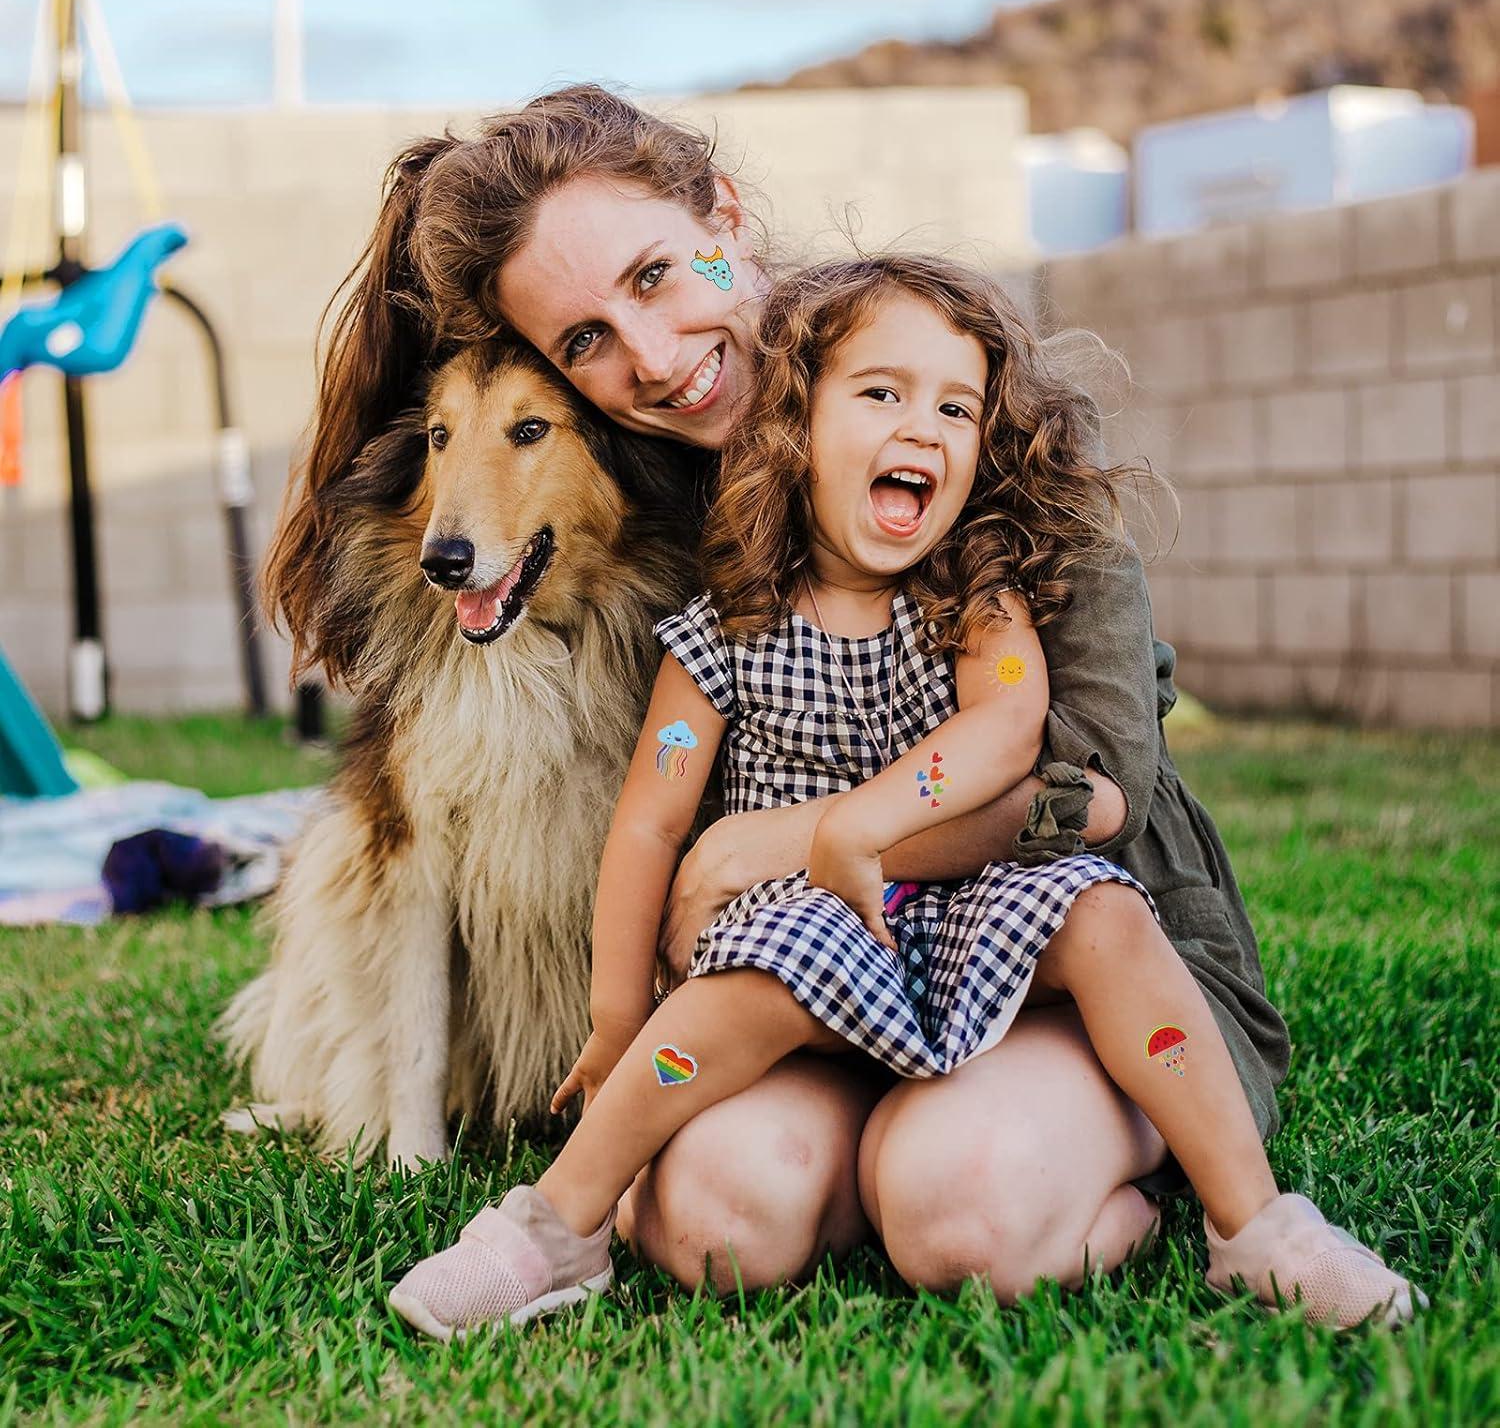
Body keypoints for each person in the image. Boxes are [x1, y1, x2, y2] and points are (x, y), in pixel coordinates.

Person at [281, 83, 1312, 1309]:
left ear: (724, 214)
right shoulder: (653, 495)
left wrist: (794, 837)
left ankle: (1142, 1199)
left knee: (961, 1213)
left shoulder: (963, 428)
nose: (652, 361)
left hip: (1066, 960)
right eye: (587, 342)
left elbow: (1095, 799)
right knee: (719, 1223)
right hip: (812, 977)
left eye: (657, 275)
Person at [387, 256, 1420, 1339]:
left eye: (957, 407)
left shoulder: (976, 597)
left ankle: (1252, 1224)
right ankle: (557, 1226)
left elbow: (1009, 729)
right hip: (818, 930)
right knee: (727, 999)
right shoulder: (727, 628)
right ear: (791, 422)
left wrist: (860, 822)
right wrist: (611, 1015)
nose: (921, 425)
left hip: (980, 904)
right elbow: (651, 814)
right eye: (882, 393)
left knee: (1108, 918)